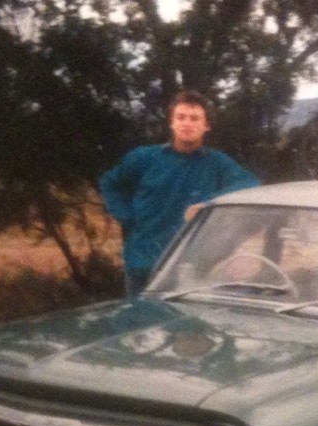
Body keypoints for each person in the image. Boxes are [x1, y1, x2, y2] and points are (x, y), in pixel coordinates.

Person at [99, 90, 260, 296]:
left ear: (206, 126)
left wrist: (209, 203)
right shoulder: (143, 158)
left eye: (195, 118)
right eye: (180, 117)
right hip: (143, 262)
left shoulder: (216, 163)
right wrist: (128, 217)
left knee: (181, 326)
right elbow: (110, 183)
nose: (187, 123)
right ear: (171, 122)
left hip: (187, 266)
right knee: (139, 323)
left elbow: (249, 182)